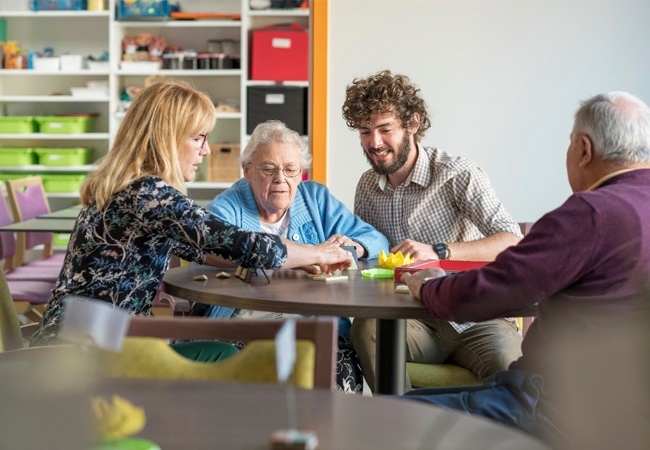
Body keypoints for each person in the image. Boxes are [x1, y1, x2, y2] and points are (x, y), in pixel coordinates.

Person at [30, 81, 353, 359]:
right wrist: (319, 253)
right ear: (168, 139)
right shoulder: (149, 193)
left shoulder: (127, 187)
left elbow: (208, 251)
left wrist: (292, 261)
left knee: (219, 352)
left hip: (74, 338)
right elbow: (252, 247)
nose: (207, 151)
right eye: (199, 138)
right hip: (91, 353)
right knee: (225, 356)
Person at [399, 91, 650, 448]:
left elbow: (494, 288)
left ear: (583, 148)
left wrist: (430, 285)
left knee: (391, 415)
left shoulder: (591, 214)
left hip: (554, 407)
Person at [342, 70, 523, 393]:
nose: (374, 143)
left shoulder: (457, 174)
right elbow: (368, 258)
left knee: (510, 375)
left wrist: (440, 251)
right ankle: (402, 427)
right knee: (366, 329)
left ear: (413, 123)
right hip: (415, 324)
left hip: (478, 317)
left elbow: (511, 240)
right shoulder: (367, 187)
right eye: (365, 132)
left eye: (385, 129)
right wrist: (351, 250)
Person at [202, 119, 390, 394]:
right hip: (245, 325)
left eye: (291, 170)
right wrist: (308, 255)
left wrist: (352, 246)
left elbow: (377, 240)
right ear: (247, 170)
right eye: (269, 169)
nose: (281, 179)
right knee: (237, 390)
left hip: (314, 326)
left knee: (341, 373)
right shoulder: (230, 204)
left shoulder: (315, 198)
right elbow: (211, 247)